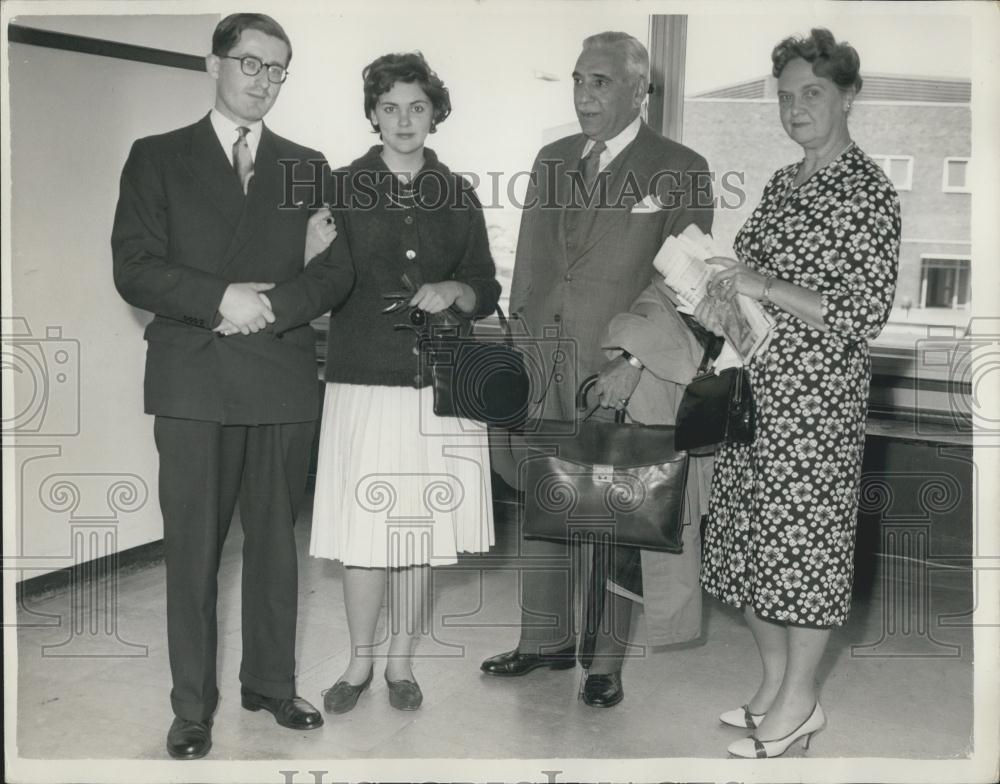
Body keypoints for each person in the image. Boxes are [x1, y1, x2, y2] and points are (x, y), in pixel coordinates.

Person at [112, 13, 354, 760]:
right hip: (193, 380)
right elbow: (134, 267)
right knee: (192, 553)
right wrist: (222, 296)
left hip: (280, 377)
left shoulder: (307, 165)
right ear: (213, 64)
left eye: (278, 69)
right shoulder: (156, 157)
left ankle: (271, 685)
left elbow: (337, 273)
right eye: (251, 63)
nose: (264, 81)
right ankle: (192, 708)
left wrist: (268, 306)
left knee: (277, 546)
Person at [481, 31, 713, 708]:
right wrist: (518, 346)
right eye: (579, 81)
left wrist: (636, 361)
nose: (585, 95)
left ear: (641, 90)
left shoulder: (681, 168)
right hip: (544, 360)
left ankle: (605, 663)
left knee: (618, 518)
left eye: (601, 82)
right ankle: (544, 640)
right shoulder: (551, 159)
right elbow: (530, 262)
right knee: (544, 501)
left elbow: (686, 280)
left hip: (618, 373)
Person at [695, 28, 900, 758]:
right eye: (785, 97)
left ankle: (801, 701)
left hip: (816, 407)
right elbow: (749, 281)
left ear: (848, 96)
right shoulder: (784, 183)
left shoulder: (868, 191)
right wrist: (719, 292)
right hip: (755, 392)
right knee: (751, 544)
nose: (796, 108)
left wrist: (762, 284)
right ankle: (774, 685)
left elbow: (863, 313)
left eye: (812, 92)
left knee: (803, 553)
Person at [307, 52, 501, 713]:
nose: (404, 120)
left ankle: (399, 664)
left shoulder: (458, 193)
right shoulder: (341, 187)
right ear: (372, 114)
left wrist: (455, 290)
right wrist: (306, 254)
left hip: (437, 387)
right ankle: (358, 662)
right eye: (389, 107)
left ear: (435, 113)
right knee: (364, 533)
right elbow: (317, 280)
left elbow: (485, 284)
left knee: (418, 532)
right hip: (365, 382)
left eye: (417, 107)